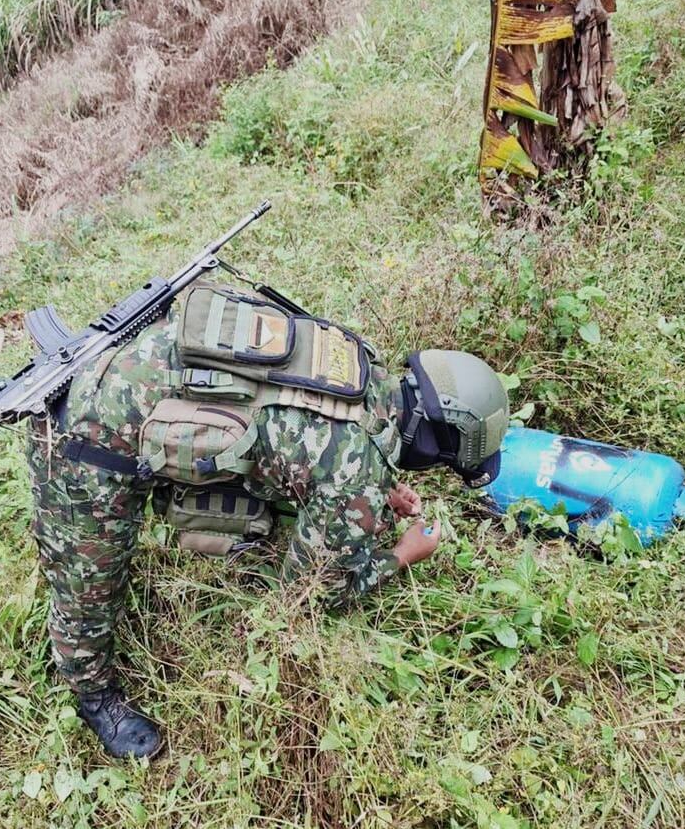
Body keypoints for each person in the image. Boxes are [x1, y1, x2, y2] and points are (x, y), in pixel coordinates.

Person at [28, 283, 509, 759]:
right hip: (82, 434)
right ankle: (92, 694)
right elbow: (308, 595)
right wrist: (403, 553)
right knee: (87, 581)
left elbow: (305, 428)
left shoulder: (363, 365)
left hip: (134, 361)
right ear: (434, 446)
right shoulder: (355, 475)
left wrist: (375, 490)